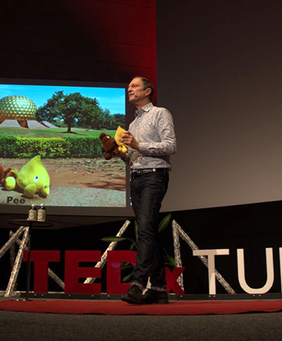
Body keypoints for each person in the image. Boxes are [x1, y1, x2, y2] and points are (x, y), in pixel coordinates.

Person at [117, 76, 177, 304]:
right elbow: (134, 158)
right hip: (137, 178)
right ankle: (160, 288)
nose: (129, 89)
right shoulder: (132, 124)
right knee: (148, 230)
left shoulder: (160, 113)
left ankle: (138, 283)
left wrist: (138, 145)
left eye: (134, 86)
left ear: (147, 91)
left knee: (145, 229)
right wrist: (123, 154)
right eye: (129, 87)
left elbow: (171, 145)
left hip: (154, 176)